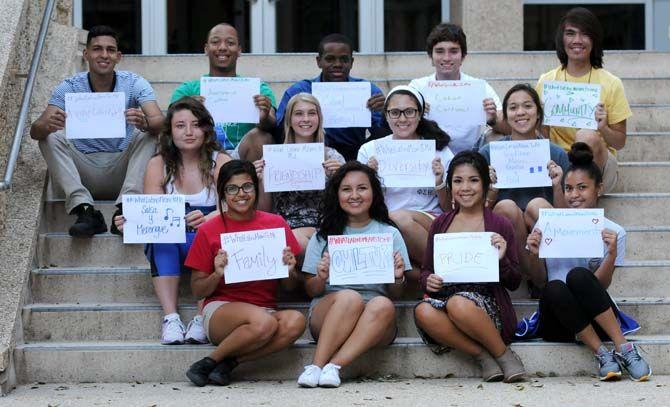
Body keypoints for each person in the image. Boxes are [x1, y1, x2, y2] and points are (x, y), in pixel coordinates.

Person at [526, 142, 651, 382]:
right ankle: (602, 354)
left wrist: (611, 253)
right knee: (554, 286)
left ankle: (624, 349)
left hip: (595, 313)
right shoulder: (546, 225)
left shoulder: (614, 231)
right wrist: (532, 253)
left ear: (599, 188)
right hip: (558, 318)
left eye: (582, 188)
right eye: (569, 188)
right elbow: (540, 280)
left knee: (578, 275)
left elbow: (600, 286)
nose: (574, 195)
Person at [112, 97, 231, 344]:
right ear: (170, 131)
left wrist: (210, 217)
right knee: (161, 239)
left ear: (206, 129)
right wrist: (131, 222)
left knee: (209, 236)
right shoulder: (158, 163)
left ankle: (201, 316)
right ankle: (171, 318)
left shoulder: (220, 162)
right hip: (174, 237)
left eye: (195, 124)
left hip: (208, 237)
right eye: (180, 125)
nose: (188, 132)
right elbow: (152, 213)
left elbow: (234, 208)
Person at [30, 25, 163, 238]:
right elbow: (36, 130)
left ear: (118, 56)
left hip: (123, 169)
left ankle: (127, 208)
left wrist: (145, 121)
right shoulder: (70, 86)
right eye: (97, 49)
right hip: (84, 170)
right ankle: (85, 209)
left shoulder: (134, 83)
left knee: (150, 135)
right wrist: (48, 125)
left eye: (110, 50)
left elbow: (161, 121)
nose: (104, 55)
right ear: (86, 54)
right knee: (50, 137)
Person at [184, 160, 306, 386]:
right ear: (222, 193)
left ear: (256, 189)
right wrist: (216, 273)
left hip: (265, 310)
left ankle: (229, 363)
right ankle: (208, 361)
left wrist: (289, 270)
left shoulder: (275, 224)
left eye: (247, 187)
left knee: (296, 321)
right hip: (221, 311)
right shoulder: (209, 230)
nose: (241, 194)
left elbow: (291, 287)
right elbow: (197, 289)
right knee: (265, 322)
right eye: (232, 188)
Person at [297, 162, 411, 388]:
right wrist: (320, 277)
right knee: (350, 297)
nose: (354, 195)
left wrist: (397, 277)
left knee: (383, 304)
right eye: (346, 189)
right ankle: (315, 366)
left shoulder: (390, 233)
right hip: (330, 312)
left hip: (375, 318)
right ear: (336, 195)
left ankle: (333, 367)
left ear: (374, 193)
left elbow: (396, 294)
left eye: (362, 188)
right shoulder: (323, 236)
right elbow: (311, 289)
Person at [414, 151, 525, 383]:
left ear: (485, 184)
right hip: (447, 299)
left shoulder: (499, 224)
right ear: (450, 186)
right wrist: (428, 280)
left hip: (487, 305)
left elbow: (514, 281)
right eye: (458, 181)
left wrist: (502, 258)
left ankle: (504, 355)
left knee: (459, 303)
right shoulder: (440, 224)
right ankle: (482, 356)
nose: (465, 187)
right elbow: (425, 270)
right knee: (423, 311)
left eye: (473, 180)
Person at [357, 85, 453, 277]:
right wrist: (369, 178)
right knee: (399, 265)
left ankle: (445, 270)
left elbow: (449, 208)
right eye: (395, 112)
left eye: (409, 112)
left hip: (428, 220)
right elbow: (360, 204)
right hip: (383, 223)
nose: (402, 119)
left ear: (419, 115)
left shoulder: (439, 151)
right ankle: (435, 279)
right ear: (386, 115)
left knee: (397, 219)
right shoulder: (369, 150)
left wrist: (439, 181)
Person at [478, 84, 568, 284]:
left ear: (538, 113)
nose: (520, 112)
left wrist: (556, 184)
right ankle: (526, 274)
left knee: (537, 205)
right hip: (506, 226)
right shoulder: (488, 153)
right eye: (513, 107)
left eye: (527, 106)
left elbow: (567, 216)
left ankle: (540, 276)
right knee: (507, 206)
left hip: (543, 228)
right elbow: (476, 211)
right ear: (506, 115)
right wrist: (491, 189)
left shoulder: (557, 154)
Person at [536, 7, 631, 193]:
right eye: (570, 33)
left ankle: (585, 201)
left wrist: (603, 128)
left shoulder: (611, 83)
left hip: (600, 166)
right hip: (560, 163)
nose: (577, 41)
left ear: (594, 40)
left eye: (585, 34)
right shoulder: (547, 81)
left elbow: (619, 142)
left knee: (586, 136)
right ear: (561, 39)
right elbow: (541, 136)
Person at [170, 23, 277, 162]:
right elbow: (168, 124)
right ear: (206, 49)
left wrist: (264, 117)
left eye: (230, 43)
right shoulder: (188, 90)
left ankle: (251, 183)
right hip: (202, 152)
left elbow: (273, 123)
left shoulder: (257, 88)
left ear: (239, 50)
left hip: (241, 154)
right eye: (215, 42)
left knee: (261, 136)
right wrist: (188, 107)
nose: (222, 48)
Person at [254, 93, 345, 255]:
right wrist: (260, 181)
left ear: (319, 118)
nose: (306, 119)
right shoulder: (273, 158)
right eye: (299, 114)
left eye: (312, 113)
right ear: (289, 120)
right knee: (295, 241)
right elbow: (264, 212)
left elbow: (346, 207)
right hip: (285, 229)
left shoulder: (333, 157)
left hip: (326, 228)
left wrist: (341, 179)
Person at [275, 33, 386, 161]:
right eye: (330, 59)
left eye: (344, 59)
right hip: (310, 153)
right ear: (319, 61)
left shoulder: (368, 91)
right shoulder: (300, 90)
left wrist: (384, 113)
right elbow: (279, 129)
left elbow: (383, 135)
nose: (337, 64)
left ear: (352, 62)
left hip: (355, 153)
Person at [409, 23, 508, 153]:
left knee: (496, 137)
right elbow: (398, 124)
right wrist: (415, 114)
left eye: (453, 51)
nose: (446, 58)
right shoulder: (417, 88)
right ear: (431, 57)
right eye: (440, 51)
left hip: (470, 156)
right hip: (429, 154)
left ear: (463, 57)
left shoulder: (479, 87)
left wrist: (493, 119)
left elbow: (510, 129)